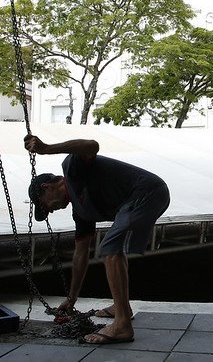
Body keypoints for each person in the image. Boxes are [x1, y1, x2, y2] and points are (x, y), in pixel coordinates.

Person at [24, 133, 170, 344]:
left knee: (109, 248)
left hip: (148, 191)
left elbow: (92, 145)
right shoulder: (82, 213)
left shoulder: (72, 169)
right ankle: (123, 309)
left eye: (44, 205)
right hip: (135, 201)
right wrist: (72, 298)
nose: (49, 210)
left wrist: (46, 149)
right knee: (113, 248)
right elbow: (81, 255)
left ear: (47, 187)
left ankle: (122, 326)